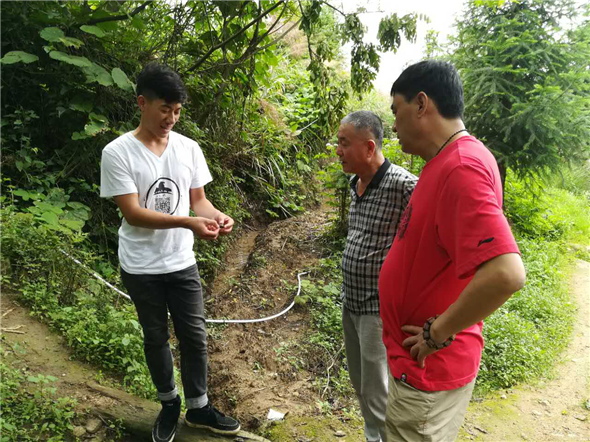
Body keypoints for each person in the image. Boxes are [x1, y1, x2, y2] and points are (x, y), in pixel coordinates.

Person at [379, 60, 526, 441]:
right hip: (417, 368)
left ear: (421, 104)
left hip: (429, 372)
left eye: (396, 110)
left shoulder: (461, 167)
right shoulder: (444, 162)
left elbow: (506, 273)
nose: (393, 126)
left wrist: (437, 333)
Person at [100, 63, 240, 442]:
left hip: (181, 261)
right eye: (164, 109)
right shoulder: (117, 153)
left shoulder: (188, 148)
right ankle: (169, 403)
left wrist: (215, 216)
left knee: (194, 335)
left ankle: (199, 407)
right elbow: (133, 213)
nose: (171, 119)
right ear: (142, 103)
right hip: (140, 264)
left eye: (177, 111)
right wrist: (188, 222)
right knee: (155, 337)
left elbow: (199, 201)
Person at [336, 111, 417, 442]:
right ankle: (374, 435)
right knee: (361, 382)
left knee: (377, 387)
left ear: (369, 148)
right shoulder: (355, 183)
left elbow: (423, 246)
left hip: (378, 308)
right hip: (350, 301)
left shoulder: (405, 185)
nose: (338, 150)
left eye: (344, 143)